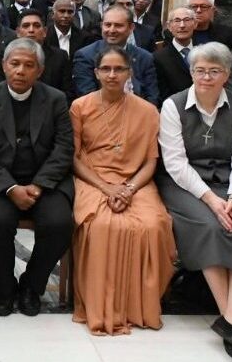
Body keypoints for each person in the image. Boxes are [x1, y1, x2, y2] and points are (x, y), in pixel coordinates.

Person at [157, 42, 232, 360]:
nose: (206, 77)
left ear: (226, 74)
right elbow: (175, 163)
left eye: (214, 71)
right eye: (200, 70)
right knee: (207, 226)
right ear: (191, 72)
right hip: (187, 185)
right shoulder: (172, 106)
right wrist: (211, 200)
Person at [69, 46, 176, 335]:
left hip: (136, 181)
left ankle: (139, 307)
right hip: (94, 179)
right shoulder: (80, 106)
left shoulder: (147, 110)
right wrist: (107, 188)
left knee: (154, 225)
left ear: (130, 73)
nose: (112, 75)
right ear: (96, 73)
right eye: (106, 69)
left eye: (119, 69)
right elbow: (75, 158)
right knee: (102, 225)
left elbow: (150, 161)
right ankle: (102, 306)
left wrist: (127, 190)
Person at [0, 38, 76, 317]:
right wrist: (10, 187)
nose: (20, 71)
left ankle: (32, 285)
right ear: (4, 66)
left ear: (39, 71)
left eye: (28, 65)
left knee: (59, 222)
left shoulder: (55, 99)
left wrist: (39, 185)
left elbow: (64, 148)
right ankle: (5, 288)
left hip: (45, 181)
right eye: (14, 64)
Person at [72, 5, 160, 103]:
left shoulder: (145, 57)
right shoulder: (85, 56)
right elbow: (88, 97)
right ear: (101, 26)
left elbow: (152, 97)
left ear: (131, 28)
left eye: (118, 25)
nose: (112, 30)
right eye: (108, 25)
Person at [153, 7, 197, 99]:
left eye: (187, 20)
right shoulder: (158, 57)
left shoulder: (205, 52)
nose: (182, 25)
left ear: (195, 24)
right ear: (169, 26)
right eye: (177, 21)